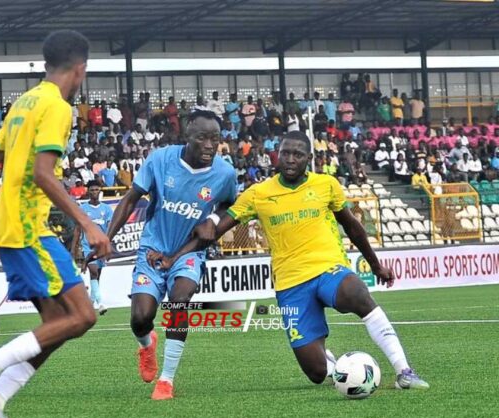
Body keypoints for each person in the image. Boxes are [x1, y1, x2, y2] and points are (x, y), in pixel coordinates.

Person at [163, 130, 430, 391]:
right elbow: (216, 231)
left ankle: (404, 371)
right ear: (277, 155)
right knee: (316, 372)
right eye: (285, 153)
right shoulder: (258, 194)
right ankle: (334, 364)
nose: (290, 159)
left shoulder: (326, 185)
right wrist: (175, 257)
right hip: (290, 285)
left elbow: (353, 227)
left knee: (357, 293)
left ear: (309, 158)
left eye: (298, 154)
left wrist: (375, 265)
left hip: (328, 268)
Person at [0, 30, 111, 418]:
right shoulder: (58, 107)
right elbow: (44, 175)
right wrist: (88, 224)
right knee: (83, 316)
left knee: (59, 326)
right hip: (29, 229)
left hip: (12, 226)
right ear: (80, 69)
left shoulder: (24, 102)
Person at [104, 110, 237, 401]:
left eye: (215, 139)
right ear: (187, 136)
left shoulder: (225, 173)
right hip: (153, 248)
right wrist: (106, 238)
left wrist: (213, 220)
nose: (209, 145)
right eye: (202, 138)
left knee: (179, 299)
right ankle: (146, 344)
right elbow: (130, 199)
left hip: (189, 252)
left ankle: (166, 380)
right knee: (141, 318)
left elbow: (229, 204)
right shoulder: (160, 160)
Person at [71, 181, 113, 315]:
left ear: (99, 191)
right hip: (88, 245)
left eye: (96, 190)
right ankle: (100, 303)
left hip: (102, 247)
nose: (94, 192)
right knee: (93, 271)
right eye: (92, 190)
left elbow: (110, 229)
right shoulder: (83, 208)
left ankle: (90, 302)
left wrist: (109, 245)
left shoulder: (107, 209)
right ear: (88, 192)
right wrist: (73, 248)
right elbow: (78, 229)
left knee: (97, 275)